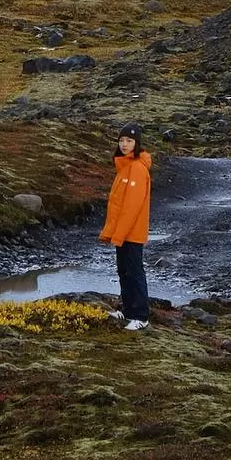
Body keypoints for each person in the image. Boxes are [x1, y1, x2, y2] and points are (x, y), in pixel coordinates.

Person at [99, 122, 152, 330]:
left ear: (136, 143)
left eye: (129, 141)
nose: (124, 144)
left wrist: (118, 235)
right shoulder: (125, 166)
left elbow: (132, 207)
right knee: (124, 271)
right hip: (124, 232)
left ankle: (141, 316)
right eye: (121, 140)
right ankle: (128, 310)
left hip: (132, 233)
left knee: (134, 272)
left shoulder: (137, 168)